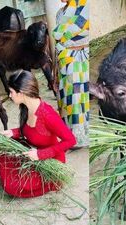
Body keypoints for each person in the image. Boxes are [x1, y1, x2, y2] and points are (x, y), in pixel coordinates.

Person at [0, 70, 76, 198]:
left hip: (50, 162)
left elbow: (71, 141)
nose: (10, 96)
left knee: (13, 185)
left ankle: (51, 181)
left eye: (11, 92)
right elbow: (28, 131)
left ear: (21, 93)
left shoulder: (47, 115)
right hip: (34, 153)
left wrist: (41, 154)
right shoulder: (27, 107)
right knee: (2, 152)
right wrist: (13, 132)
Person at [53, 0, 89, 148]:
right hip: (64, 60)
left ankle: (81, 136)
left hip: (81, 57)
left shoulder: (85, 7)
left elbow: (83, 31)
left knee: (79, 96)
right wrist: (55, 72)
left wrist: (66, 41)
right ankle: (70, 135)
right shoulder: (60, 13)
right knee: (66, 97)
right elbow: (58, 41)